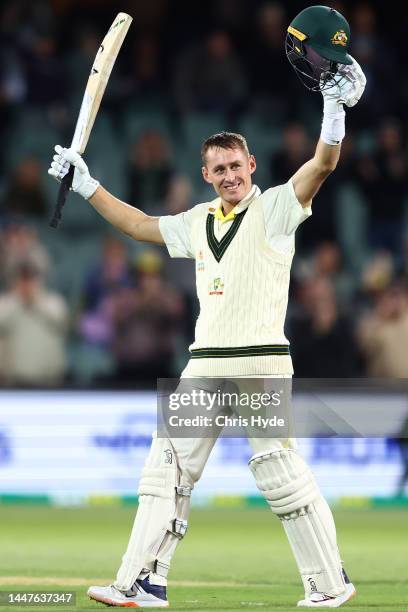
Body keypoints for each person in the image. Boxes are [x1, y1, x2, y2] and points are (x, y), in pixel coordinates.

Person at [48, 6, 365, 608]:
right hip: (204, 363)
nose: (227, 175)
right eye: (216, 169)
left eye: (235, 166)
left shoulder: (275, 208)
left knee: (279, 471)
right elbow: (140, 224)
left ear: (251, 166)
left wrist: (332, 104)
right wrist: (88, 185)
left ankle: (329, 585)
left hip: (262, 363)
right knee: (165, 470)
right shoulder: (196, 222)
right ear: (205, 173)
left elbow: (323, 164)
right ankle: (142, 581)